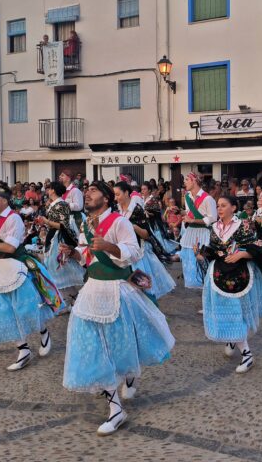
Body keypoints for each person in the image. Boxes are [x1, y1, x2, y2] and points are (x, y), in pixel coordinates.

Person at [60, 181, 174, 436]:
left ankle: (126, 383)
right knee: (96, 346)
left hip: (117, 289)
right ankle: (116, 409)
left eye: (93, 191)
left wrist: (109, 246)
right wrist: (73, 253)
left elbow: (133, 253)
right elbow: (86, 255)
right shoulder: (86, 224)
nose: (87, 195)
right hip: (92, 289)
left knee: (120, 342)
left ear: (107, 198)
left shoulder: (119, 222)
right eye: (86, 191)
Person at [0, 184, 58, 371]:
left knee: (25, 307)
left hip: (17, 265)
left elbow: (10, 248)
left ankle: (43, 332)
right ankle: (23, 350)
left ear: (4, 200)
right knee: (4, 310)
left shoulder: (14, 219)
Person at [199, 195, 262, 373]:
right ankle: (233, 339)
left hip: (238, 276)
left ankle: (247, 355)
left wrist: (240, 254)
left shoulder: (242, 225)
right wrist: (203, 253)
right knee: (225, 310)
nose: (219, 209)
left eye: (223, 205)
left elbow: (256, 250)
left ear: (234, 208)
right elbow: (214, 250)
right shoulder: (214, 228)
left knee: (235, 312)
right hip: (218, 274)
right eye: (218, 206)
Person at [115, 181, 176, 300]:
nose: (116, 198)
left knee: (142, 289)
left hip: (138, 253)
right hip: (123, 251)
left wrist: (132, 227)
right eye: (115, 195)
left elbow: (146, 234)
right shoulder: (117, 209)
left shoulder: (137, 210)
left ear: (126, 193)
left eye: (118, 194)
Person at [37, 181, 85, 296]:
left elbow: (63, 225)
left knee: (59, 266)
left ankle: (70, 297)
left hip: (59, 238)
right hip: (53, 235)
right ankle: (68, 297)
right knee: (56, 267)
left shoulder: (62, 204)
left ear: (53, 190)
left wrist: (46, 221)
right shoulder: (55, 204)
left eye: (49, 188)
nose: (47, 191)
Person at [178, 172, 218, 289]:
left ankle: (206, 284)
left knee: (202, 259)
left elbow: (212, 218)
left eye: (186, 180)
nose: (184, 182)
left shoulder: (208, 198)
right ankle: (194, 283)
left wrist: (193, 220)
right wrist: (182, 213)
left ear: (194, 180)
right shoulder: (187, 196)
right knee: (189, 257)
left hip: (204, 232)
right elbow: (190, 213)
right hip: (191, 232)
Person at [140, 181, 178, 260]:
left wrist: (146, 212)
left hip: (153, 224)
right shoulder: (141, 199)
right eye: (142, 189)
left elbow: (156, 212)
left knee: (158, 242)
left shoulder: (153, 199)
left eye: (144, 189)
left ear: (149, 190)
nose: (142, 191)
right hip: (145, 224)